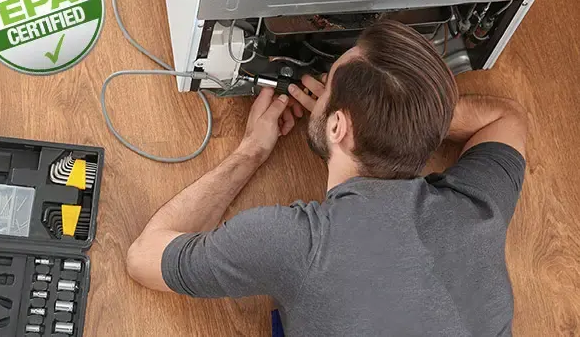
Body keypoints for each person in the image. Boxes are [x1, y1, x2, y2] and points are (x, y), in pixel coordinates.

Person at [126, 20, 527, 336]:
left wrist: (251, 151)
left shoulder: (295, 244)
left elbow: (143, 259)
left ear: (337, 126)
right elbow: (506, 118)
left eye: (329, 81)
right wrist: (405, 116)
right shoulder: (475, 211)